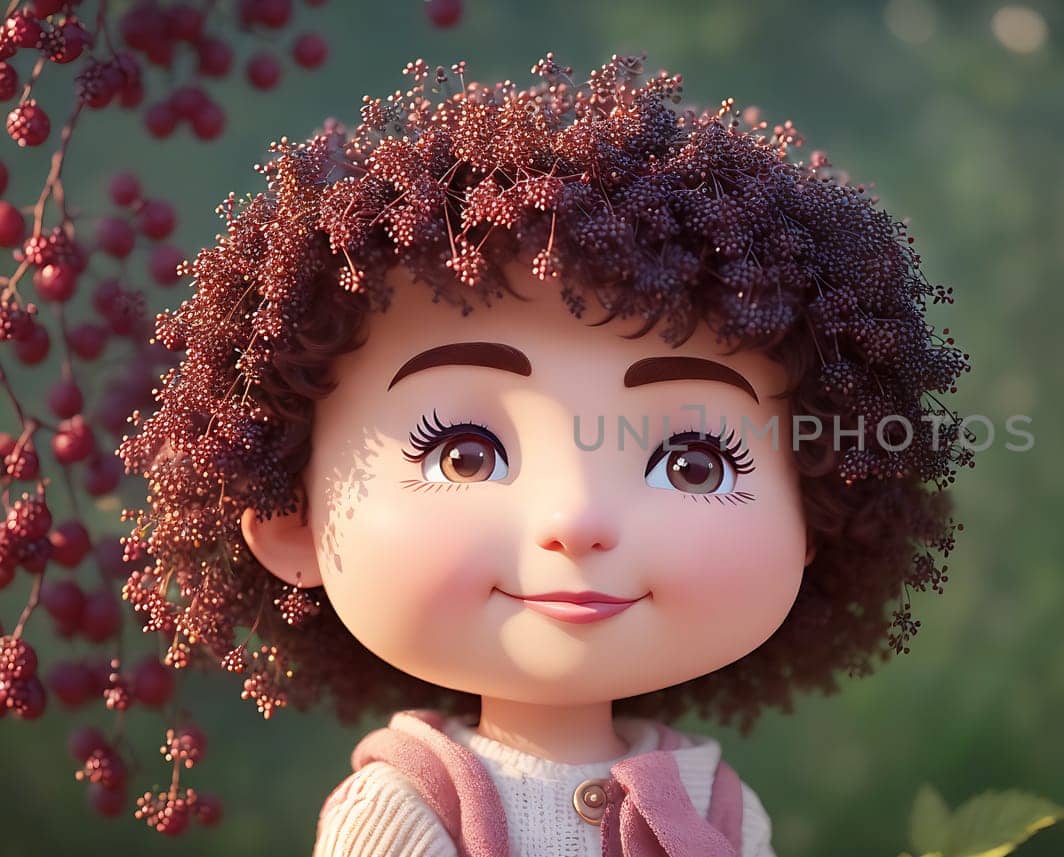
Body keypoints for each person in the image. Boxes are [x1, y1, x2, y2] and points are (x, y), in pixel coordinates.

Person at [118, 53, 972, 856]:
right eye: (463, 453)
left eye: (694, 462)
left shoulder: (720, 810)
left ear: (821, 507)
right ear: (292, 518)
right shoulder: (403, 811)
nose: (578, 518)